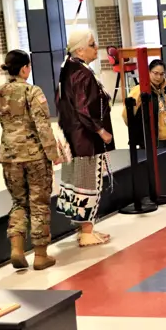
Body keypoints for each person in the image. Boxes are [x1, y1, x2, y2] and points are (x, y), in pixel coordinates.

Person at [0, 49, 60, 270]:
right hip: (35, 157)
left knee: (19, 202)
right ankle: (41, 255)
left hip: (10, 158)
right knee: (39, 203)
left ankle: (16, 248)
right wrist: (53, 154)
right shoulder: (33, 92)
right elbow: (43, 126)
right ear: (25, 68)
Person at [56, 29, 114, 247]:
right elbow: (83, 108)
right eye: (92, 44)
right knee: (88, 182)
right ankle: (87, 232)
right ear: (80, 49)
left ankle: (85, 230)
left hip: (75, 136)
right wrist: (100, 130)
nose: (96, 48)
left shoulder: (68, 68)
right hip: (86, 139)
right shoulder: (81, 73)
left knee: (79, 181)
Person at [123, 59, 166, 149]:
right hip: (154, 140)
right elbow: (126, 115)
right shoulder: (140, 91)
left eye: (161, 74)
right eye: (155, 73)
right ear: (149, 72)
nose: (158, 77)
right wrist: (139, 130)